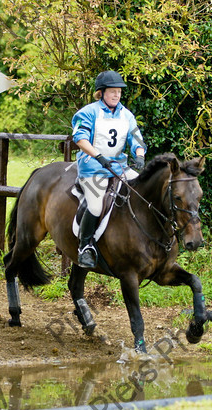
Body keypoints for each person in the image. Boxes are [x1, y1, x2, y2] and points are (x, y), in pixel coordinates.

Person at [71, 70, 147, 268]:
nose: (117, 95)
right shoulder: (87, 112)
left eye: (119, 92)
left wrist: (139, 155)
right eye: (112, 91)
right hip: (93, 167)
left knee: (143, 192)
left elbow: (137, 138)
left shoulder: (127, 115)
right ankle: (85, 247)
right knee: (95, 205)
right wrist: (99, 156)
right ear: (101, 92)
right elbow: (80, 138)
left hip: (119, 166)